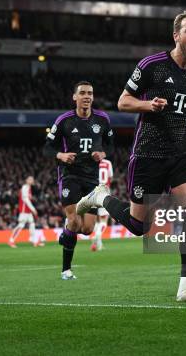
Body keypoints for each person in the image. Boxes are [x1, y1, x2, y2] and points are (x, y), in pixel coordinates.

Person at [76, 9, 186, 302]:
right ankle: (100, 197)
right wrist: (148, 106)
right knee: (139, 226)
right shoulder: (152, 66)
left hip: (182, 155)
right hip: (148, 154)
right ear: (176, 35)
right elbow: (123, 101)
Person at [44, 81, 114, 280]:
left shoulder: (102, 119)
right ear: (74, 97)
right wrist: (61, 156)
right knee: (74, 221)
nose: (87, 96)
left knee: (87, 229)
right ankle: (66, 270)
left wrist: (102, 153)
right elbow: (47, 148)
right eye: (82, 93)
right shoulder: (64, 120)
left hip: (91, 179)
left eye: (90, 93)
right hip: (69, 176)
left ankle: (65, 233)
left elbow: (110, 145)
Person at [8, 176, 42, 248]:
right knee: (21, 225)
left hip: (28, 211)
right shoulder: (25, 188)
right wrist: (33, 209)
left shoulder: (29, 188)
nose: (32, 180)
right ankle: (11, 240)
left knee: (32, 224)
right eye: (30, 179)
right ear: (26, 180)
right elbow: (26, 200)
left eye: (32, 179)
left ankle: (33, 241)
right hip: (24, 211)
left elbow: (28, 198)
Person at [91, 158, 113, 252]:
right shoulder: (108, 163)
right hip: (104, 193)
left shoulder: (91, 163)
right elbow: (110, 178)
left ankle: (98, 244)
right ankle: (96, 236)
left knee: (97, 220)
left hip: (93, 193)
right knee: (104, 219)